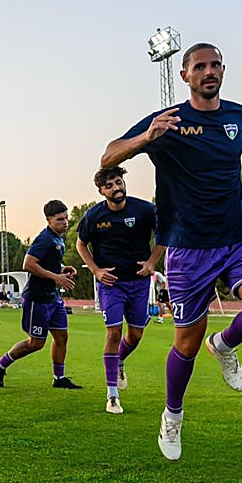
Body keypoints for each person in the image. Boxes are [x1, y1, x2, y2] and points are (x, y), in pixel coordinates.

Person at [101, 42, 242, 460]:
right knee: (186, 345)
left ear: (223, 71)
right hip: (186, 248)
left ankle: (227, 344)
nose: (208, 71)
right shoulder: (169, 121)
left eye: (215, 65)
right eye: (199, 66)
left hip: (237, 238)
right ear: (185, 76)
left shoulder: (241, 117)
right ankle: (172, 418)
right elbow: (108, 155)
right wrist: (146, 137)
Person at [76, 166, 163, 415]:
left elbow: (165, 234)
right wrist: (95, 270)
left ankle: (120, 360)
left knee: (135, 335)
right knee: (113, 333)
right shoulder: (94, 216)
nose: (117, 188)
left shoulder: (145, 209)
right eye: (110, 185)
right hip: (110, 284)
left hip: (138, 283)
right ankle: (112, 396)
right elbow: (80, 244)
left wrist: (152, 262)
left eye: (119, 182)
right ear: (101, 191)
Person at [0, 200, 82, 391]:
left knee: (62, 337)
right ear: (48, 220)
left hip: (53, 298)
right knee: (36, 343)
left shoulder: (58, 239)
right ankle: (0, 364)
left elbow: (48, 262)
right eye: (59, 220)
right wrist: (56, 277)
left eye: (66, 218)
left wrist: (63, 268)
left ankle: (59, 377)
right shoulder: (45, 239)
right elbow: (28, 264)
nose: (65, 223)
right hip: (37, 299)